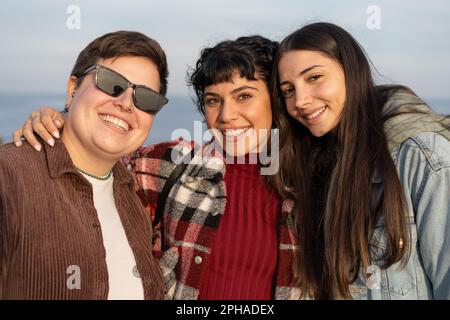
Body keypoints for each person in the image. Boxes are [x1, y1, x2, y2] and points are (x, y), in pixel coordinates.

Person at [11, 36, 299, 300]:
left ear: (275, 100)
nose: (226, 115)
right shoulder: (172, 166)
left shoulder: (311, 189)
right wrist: (57, 119)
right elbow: (93, 159)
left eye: (244, 96)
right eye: (213, 100)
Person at [271, 22, 450, 299]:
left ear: (351, 71)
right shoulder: (314, 164)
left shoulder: (418, 155)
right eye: (288, 91)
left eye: (314, 77)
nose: (301, 101)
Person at [0, 31, 168, 299]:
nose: (126, 104)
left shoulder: (134, 199)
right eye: (112, 83)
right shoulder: (9, 177)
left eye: (146, 98)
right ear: (72, 89)